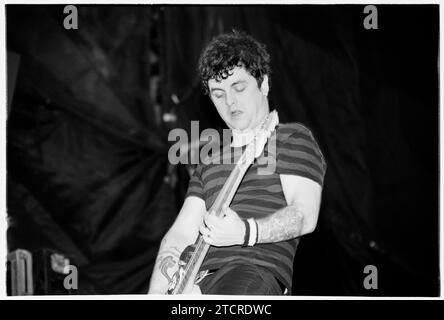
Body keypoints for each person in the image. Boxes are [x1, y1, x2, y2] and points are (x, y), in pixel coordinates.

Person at [148, 30, 326, 295]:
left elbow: (304, 215)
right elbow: (181, 233)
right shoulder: (209, 162)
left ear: (263, 83)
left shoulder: (292, 138)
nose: (229, 102)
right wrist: (163, 286)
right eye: (218, 94)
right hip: (196, 282)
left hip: (251, 271)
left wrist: (245, 231)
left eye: (238, 87)